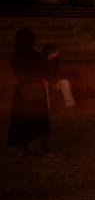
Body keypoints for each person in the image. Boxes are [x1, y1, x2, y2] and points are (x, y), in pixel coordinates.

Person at [7, 29, 58, 159]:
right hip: (34, 89)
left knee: (22, 120)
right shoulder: (33, 55)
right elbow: (44, 70)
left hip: (21, 90)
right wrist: (47, 58)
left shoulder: (15, 54)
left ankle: (22, 149)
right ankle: (45, 151)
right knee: (39, 121)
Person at [42, 44, 76, 112]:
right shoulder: (42, 61)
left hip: (54, 82)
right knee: (45, 85)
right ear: (51, 51)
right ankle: (48, 108)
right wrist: (44, 80)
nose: (58, 52)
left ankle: (70, 105)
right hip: (45, 83)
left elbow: (58, 73)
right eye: (57, 50)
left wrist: (67, 78)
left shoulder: (56, 61)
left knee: (65, 82)